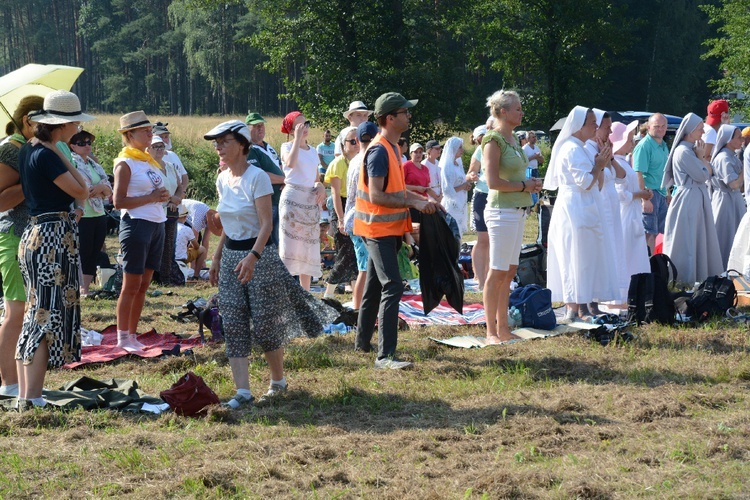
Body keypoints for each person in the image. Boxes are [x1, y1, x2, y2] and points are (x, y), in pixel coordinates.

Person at [206, 120, 335, 408]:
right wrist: (215, 258)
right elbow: (227, 223)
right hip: (230, 257)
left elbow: (266, 224)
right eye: (216, 143)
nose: (218, 147)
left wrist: (253, 256)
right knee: (234, 321)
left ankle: (277, 382)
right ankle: (242, 391)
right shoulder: (222, 178)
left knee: (265, 322)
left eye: (224, 142)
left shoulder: (257, 178)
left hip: (260, 257)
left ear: (241, 145)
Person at [16, 90, 92, 409]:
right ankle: (32, 398)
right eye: (75, 121)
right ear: (64, 124)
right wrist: (62, 154)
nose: (78, 127)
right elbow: (82, 191)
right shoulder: (48, 154)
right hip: (51, 238)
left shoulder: (31, 149)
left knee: (34, 314)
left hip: (37, 233)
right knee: (45, 316)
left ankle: (26, 395)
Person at [353, 92, 439, 369]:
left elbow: (398, 191)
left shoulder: (393, 148)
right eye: (405, 112)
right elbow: (378, 196)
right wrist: (413, 201)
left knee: (375, 286)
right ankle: (385, 356)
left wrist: (419, 201)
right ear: (390, 118)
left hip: (386, 228)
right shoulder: (379, 151)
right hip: (376, 229)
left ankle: (362, 344)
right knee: (392, 285)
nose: (409, 116)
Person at [543, 106, 618, 323]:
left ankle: (583, 305)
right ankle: (574, 308)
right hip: (575, 208)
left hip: (586, 206)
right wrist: (599, 165)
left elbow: (598, 183)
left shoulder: (582, 147)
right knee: (575, 255)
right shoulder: (571, 149)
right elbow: (585, 182)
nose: (596, 127)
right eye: (593, 123)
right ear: (579, 126)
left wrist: (601, 166)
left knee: (586, 257)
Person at [481, 90, 542, 344]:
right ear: (503, 112)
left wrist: (530, 184)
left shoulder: (514, 140)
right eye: (517, 108)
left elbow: (517, 175)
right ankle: (491, 332)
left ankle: (504, 328)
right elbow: (492, 182)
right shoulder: (492, 140)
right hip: (500, 212)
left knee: (510, 271)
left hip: (517, 212)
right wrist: (523, 186)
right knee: (496, 272)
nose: (521, 112)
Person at [113, 111, 170, 351]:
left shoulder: (147, 160)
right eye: (145, 130)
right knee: (131, 285)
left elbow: (156, 191)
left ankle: (132, 334)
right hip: (137, 225)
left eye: (150, 130)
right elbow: (118, 201)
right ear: (129, 134)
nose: (150, 133)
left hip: (157, 224)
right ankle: (122, 337)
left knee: (144, 285)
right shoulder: (125, 163)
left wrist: (162, 197)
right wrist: (151, 197)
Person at [0, 95, 43, 399]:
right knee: (16, 312)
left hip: (28, 235)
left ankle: (19, 380)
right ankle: (9, 383)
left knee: (26, 310)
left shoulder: (25, 149)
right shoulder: (9, 151)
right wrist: (32, 181)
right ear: (28, 120)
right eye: (45, 121)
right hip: (13, 235)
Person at [661, 113, 723, 285]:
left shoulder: (690, 150)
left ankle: (700, 275)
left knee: (698, 237)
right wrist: (702, 158)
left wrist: (702, 160)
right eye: (700, 128)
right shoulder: (683, 151)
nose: (703, 131)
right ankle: (685, 278)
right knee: (688, 239)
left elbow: (708, 173)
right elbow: (703, 174)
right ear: (690, 130)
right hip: (689, 199)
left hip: (696, 197)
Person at [584, 110, 627, 310]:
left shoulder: (605, 149)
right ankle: (600, 297)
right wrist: (601, 162)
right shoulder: (588, 148)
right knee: (604, 248)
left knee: (615, 246)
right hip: (600, 201)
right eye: (607, 127)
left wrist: (610, 159)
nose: (610, 131)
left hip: (612, 202)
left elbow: (621, 175)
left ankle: (614, 292)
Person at [278, 111, 326, 291]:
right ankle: (286, 293)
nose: (304, 128)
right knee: (290, 247)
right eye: (299, 126)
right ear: (291, 129)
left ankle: (305, 293)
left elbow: (315, 177)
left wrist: (320, 185)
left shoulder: (313, 150)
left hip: (309, 200)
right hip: (292, 199)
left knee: (308, 248)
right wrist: (296, 139)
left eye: (305, 124)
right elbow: (289, 164)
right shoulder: (287, 146)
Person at [69, 130, 113, 296]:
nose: (87, 146)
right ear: (72, 146)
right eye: (82, 143)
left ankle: (84, 289)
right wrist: (99, 189)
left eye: (89, 142)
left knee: (94, 252)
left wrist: (101, 188)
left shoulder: (94, 164)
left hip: (99, 213)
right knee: (82, 252)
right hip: (83, 214)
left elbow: (108, 188)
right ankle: (76, 286)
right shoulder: (72, 163)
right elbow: (84, 189)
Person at [343, 121, 378, 310]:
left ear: (357, 140)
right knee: (365, 269)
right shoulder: (367, 160)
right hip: (362, 218)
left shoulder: (356, 159)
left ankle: (362, 308)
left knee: (364, 267)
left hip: (354, 217)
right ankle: (358, 309)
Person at [611, 120, 652, 281]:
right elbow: (621, 194)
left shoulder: (623, 162)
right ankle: (624, 289)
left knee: (634, 251)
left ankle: (634, 287)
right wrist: (640, 194)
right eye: (628, 139)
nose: (631, 142)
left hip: (631, 212)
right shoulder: (617, 164)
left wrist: (641, 193)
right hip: (625, 214)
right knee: (626, 251)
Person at [322, 126, 359, 298]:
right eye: (352, 141)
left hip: (357, 206)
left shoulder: (360, 161)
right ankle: (328, 293)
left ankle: (357, 294)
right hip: (342, 207)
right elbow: (336, 195)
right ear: (343, 145)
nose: (356, 143)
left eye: (358, 140)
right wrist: (342, 220)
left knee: (355, 253)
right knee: (345, 251)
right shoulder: (337, 164)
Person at [149, 135, 185, 286]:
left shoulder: (170, 166)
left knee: (169, 246)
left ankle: (166, 278)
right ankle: (152, 276)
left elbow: (180, 185)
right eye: (155, 146)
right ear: (148, 149)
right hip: (156, 211)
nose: (159, 149)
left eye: (161, 146)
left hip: (171, 211)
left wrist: (176, 198)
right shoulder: (148, 167)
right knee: (155, 245)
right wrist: (169, 200)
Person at [245, 112, 285, 246]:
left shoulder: (269, 147)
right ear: (247, 129)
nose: (260, 128)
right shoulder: (250, 149)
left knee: (278, 238)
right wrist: (284, 180)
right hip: (267, 201)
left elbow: (280, 167)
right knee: (267, 238)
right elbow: (260, 175)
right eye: (256, 126)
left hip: (279, 198)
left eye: (262, 125)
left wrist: (284, 180)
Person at [633, 113, 669, 254]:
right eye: (656, 126)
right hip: (650, 194)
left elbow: (663, 172)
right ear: (648, 127)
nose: (660, 129)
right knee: (648, 234)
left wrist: (667, 193)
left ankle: (654, 267)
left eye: (663, 126)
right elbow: (638, 173)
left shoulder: (663, 145)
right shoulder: (644, 146)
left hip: (660, 193)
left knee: (657, 234)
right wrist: (644, 199)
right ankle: (647, 269)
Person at [710, 125, 745, 269]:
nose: (742, 140)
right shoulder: (724, 158)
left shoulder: (731, 156)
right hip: (725, 202)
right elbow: (734, 184)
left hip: (733, 200)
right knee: (725, 235)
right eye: (739, 137)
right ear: (729, 140)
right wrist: (745, 172)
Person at [467, 125, 489, 290]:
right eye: (481, 135)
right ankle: (480, 279)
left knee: (494, 241)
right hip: (482, 195)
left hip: (499, 196)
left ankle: (490, 279)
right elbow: (470, 173)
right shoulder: (479, 152)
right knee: (483, 240)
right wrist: (473, 176)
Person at [440, 136, 475, 238]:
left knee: (459, 233)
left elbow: (460, 180)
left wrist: (466, 184)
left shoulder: (458, 164)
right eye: (460, 147)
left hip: (461, 202)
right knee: (452, 233)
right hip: (452, 204)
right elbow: (447, 190)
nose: (462, 150)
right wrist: (463, 186)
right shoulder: (447, 166)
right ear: (453, 148)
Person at [180, 198, 221, 276]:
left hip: (191, 218)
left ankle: (197, 267)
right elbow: (193, 240)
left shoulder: (212, 219)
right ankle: (191, 269)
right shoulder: (199, 217)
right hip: (181, 213)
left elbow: (206, 241)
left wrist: (203, 261)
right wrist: (194, 260)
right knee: (195, 240)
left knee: (199, 242)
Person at [403, 143, 440, 223]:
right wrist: (417, 188)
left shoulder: (425, 168)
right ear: (411, 154)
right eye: (416, 152)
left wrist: (437, 198)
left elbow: (427, 187)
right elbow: (400, 185)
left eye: (420, 152)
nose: (418, 154)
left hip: (424, 202)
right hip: (411, 202)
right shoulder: (406, 166)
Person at [152, 121, 189, 198]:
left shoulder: (173, 155)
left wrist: (182, 191)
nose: (164, 140)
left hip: (178, 198)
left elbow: (184, 176)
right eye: (161, 137)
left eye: (166, 137)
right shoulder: (151, 160)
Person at [175, 204, 206, 271]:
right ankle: (196, 274)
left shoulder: (167, 228)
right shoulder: (187, 229)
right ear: (185, 217)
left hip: (167, 257)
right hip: (181, 258)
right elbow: (196, 246)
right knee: (202, 249)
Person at [522, 130, 544, 205]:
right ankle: (530, 204)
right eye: (533, 137)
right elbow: (523, 161)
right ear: (528, 139)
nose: (535, 138)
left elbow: (542, 160)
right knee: (530, 188)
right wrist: (534, 156)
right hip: (528, 170)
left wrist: (538, 157)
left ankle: (535, 206)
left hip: (535, 170)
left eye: (535, 137)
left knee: (536, 187)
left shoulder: (537, 148)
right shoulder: (525, 148)